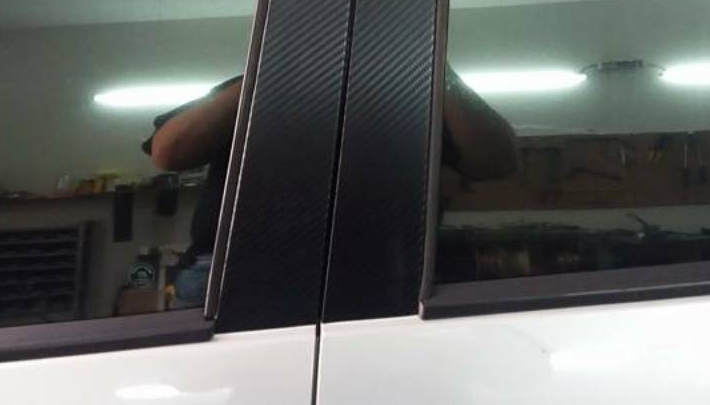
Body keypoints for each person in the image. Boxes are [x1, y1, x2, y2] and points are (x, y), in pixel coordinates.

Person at [143, 68, 517, 308]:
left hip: (382, 274)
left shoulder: (416, 87)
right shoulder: (256, 82)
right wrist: (270, 65)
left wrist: (437, 67)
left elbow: (499, 161)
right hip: (231, 274)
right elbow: (168, 151)